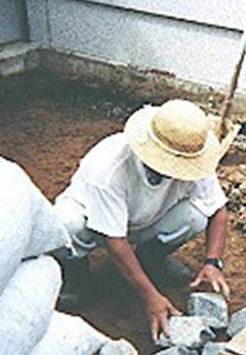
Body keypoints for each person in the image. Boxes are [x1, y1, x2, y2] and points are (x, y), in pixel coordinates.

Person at [54, 99, 230, 341]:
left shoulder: (194, 158)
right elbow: (115, 242)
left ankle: (150, 260)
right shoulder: (109, 167)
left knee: (195, 217)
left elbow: (218, 210)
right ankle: (75, 272)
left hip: (145, 220)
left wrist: (213, 262)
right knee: (67, 224)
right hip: (92, 223)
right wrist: (151, 297)